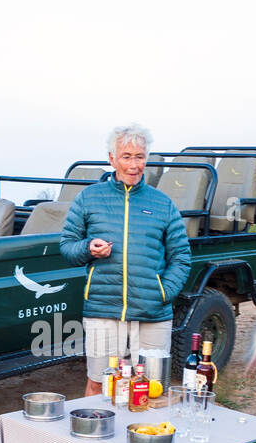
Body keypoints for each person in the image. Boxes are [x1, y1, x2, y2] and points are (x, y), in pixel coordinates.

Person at [60, 124, 192, 396]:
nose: (134, 164)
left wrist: (162, 293)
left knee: (152, 388)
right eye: (126, 156)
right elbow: (67, 247)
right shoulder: (88, 199)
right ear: (112, 159)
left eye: (140, 157)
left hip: (152, 314)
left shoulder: (163, 204)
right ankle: (94, 439)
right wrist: (88, 248)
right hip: (102, 311)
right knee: (99, 384)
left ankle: (144, 437)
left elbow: (181, 257)